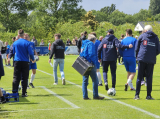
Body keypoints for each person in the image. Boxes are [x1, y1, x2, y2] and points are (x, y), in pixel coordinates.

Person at [134, 25, 160, 100]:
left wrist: (137, 56)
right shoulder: (155, 38)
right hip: (151, 60)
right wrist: (152, 55)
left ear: (145, 30)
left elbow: (136, 48)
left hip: (142, 59)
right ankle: (148, 96)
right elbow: (158, 50)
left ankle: (137, 95)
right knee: (149, 78)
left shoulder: (142, 36)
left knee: (139, 77)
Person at [80, 34, 104, 100]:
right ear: (93, 39)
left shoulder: (84, 43)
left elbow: (81, 53)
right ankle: (95, 95)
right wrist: (94, 63)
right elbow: (91, 54)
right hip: (90, 63)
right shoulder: (91, 44)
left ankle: (85, 96)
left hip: (84, 63)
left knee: (84, 81)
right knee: (95, 80)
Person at [12, 29, 34, 97]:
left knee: (16, 77)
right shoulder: (27, 43)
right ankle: (24, 93)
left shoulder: (15, 43)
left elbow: (13, 52)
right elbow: (30, 53)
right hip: (25, 62)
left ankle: (14, 92)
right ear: (24, 35)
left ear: (18, 35)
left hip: (17, 61)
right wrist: (32, 59)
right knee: (24, 78)